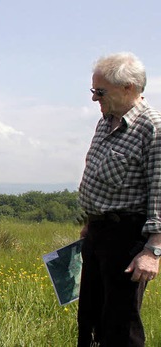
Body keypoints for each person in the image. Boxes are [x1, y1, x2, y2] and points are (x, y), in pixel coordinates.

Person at [77, 52, 161, 347]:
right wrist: (91, 222)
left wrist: (153, 251)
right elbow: (98, 175)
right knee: (89, 318)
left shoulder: (152, 127)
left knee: (120, 325)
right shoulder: (106, 121)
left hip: (127, 239)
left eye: (100, 92)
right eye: (93, 91)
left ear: (129, 87)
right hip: (98, 233)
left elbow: (159, 191)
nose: (94, 98)